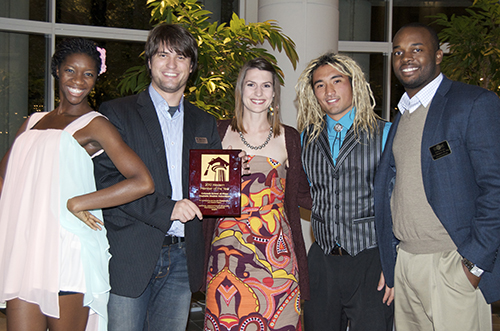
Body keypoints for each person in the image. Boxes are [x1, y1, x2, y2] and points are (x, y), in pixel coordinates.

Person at [0, 38, 154, 331]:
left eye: (88, 74)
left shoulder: (96, 124)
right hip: (24, 251)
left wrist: (78, 202)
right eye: (71, 70)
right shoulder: (32, 122)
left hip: (67, 250)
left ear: (97, 78)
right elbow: (5, 177)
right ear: (57, 70)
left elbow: (143, 182)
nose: (78, 81)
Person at [92, 23, 221, 331]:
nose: (172, 64)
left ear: (191, 67)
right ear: (149, 61)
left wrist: (227, 184)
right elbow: (108, 181)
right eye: (163, 55)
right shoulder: (117, 113)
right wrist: (168, 208)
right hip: (130, 255)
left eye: (181, 56)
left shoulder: (205, 123)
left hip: (182, 257)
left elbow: (211, 187)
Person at [374, 22, 500, 331]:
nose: (406, 58)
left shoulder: (472, 103)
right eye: (398, 52)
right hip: (406, 263)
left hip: (451, 264)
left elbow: (495, 187)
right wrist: (393, 263)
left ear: (439, 55)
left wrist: (473, 263)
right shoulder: (403, 115)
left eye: (417, 49)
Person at [203, 57, 311, 331]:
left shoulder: (289, 138)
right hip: (227, 259)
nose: (258, 93)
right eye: (251, 84)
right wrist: (228, 173)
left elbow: (303, 194)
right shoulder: (217, 131)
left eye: (266, 85)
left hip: (277, 261)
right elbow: (205, 198)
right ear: (241, 89)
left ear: (274, 92)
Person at [295, 52, 393, 331]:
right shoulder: (305, 138)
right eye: (320, 84)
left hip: (371, 259)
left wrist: (392, 263)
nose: (329, 90)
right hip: (322, 262)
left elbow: (397, 201)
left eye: (337, 81)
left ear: (354, 84)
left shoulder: (385, 133)